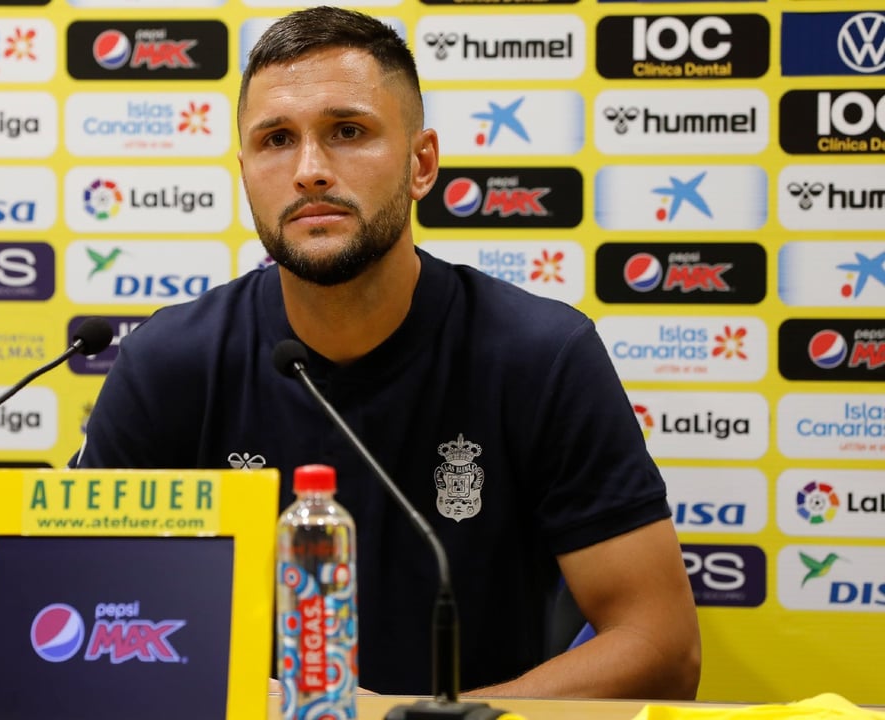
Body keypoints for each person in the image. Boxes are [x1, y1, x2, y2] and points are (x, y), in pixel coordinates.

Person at [72, 5, 701, 699]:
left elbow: (659, 645)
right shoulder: (168, 363)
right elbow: (80, 620)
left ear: (421, 162)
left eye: (347, 132)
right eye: (277, 139)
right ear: (247, 170)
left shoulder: (541, 355)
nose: (310, 170)